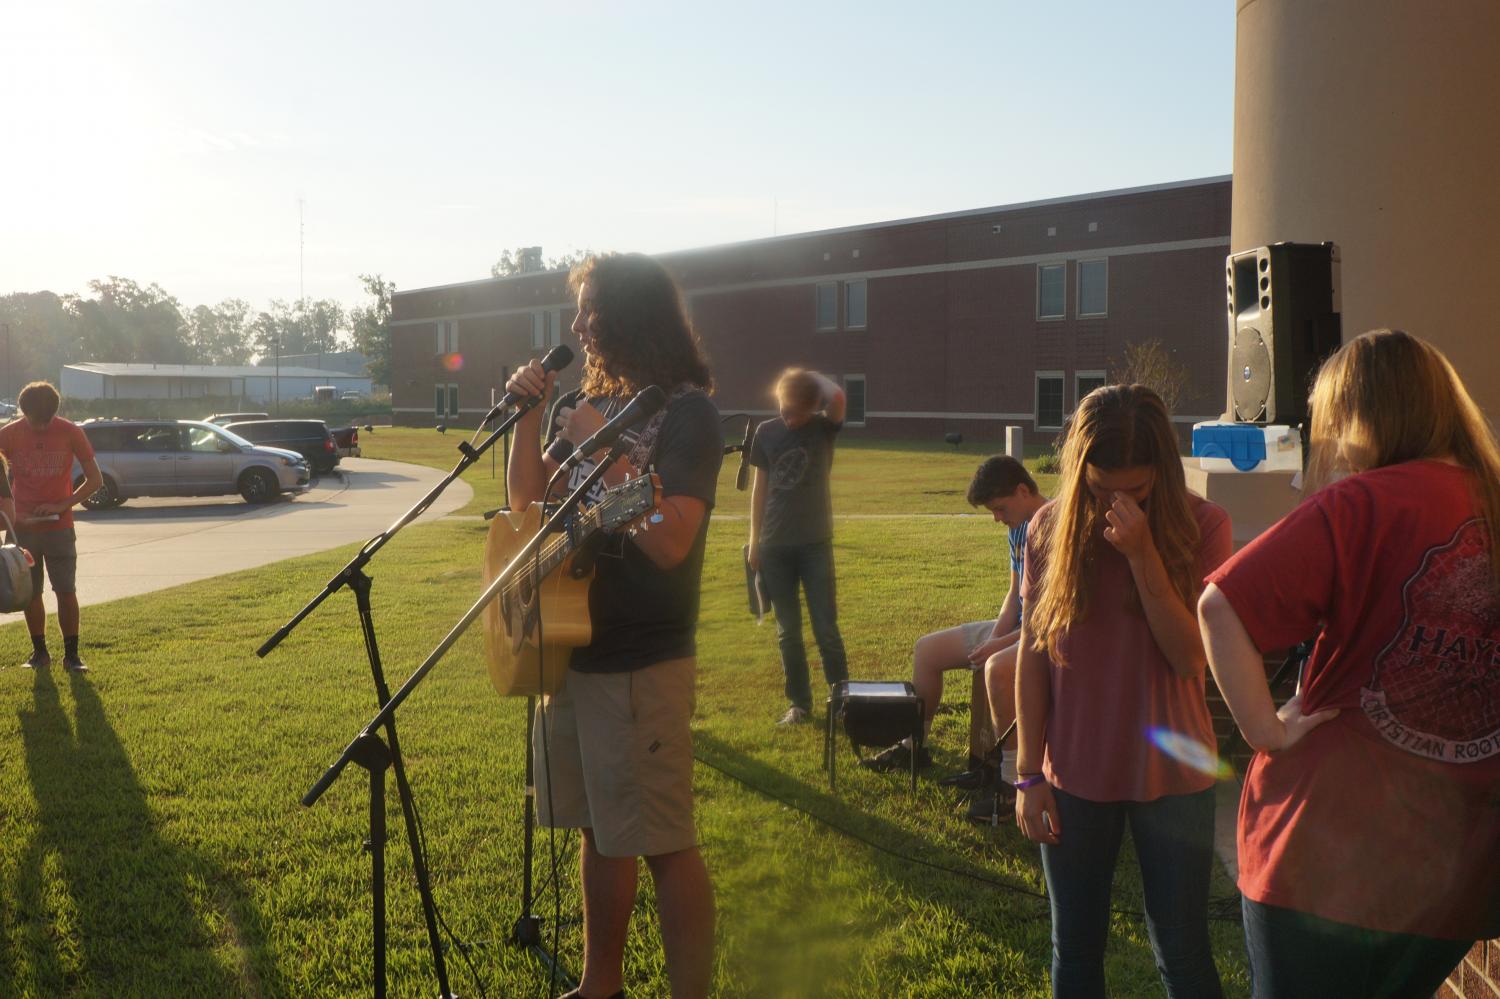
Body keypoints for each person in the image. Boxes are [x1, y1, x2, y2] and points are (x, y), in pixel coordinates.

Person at [1199, 329, 1500, 999]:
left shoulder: (1362, 502)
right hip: (1451, 871)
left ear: (1361, 414)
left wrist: (1265, 730)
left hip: (1320, 854)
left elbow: (1220, 605)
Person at [504, 252, 720, 999]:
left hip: (644, 659)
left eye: (591, 309)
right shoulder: (602, 405)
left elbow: (671, 539)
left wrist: (605, 446)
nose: (577, 326)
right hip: (577, 651)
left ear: (632, 313)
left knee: (664, 843)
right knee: (601, 829)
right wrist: (532, 416)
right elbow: (529, 501)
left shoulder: (686, 413)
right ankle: (602, 985)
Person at [1014, 384, 1229, 998]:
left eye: (1134, 491)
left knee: (1183, 949)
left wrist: (1143, 558)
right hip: (1075, 775)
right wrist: (1028, 775)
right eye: (1100, 487)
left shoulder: (1204, 525)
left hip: (1175, 774)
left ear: (1162, 472)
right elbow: (1034, 655)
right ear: (1079, 469)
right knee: (1075, 948)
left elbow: (1191, 658)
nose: (1116, 503)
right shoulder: (1048, 528)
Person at [862, 456, 1045, 817]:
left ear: (1023, 491)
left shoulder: (1052, 524)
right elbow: (1014, 596)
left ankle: (1009, 785)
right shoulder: (1017, 527)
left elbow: (1044, 617)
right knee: (927, 651)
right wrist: (993, 635)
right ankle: (914, 745)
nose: (997, 518)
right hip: (1015, 627)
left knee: (995, 666)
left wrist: (997, 646)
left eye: (999, 508)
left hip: (1044, 633)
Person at [746, 367, 849, 725]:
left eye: (795, 410)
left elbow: (836, 397)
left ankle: (841, 702)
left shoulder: (823, 429)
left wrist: (805, 380)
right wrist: (754, 540)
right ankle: (800, 705)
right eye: (782, 407)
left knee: (826, 628)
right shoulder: (766, 432)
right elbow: (761, 489)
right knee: (788, 632)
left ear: (809, 407)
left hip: (815, 543)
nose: (787, 417)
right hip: (775, 547)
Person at [0, 382, 101, 672]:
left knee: (65, 590)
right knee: (29, 592)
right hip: (22, 529)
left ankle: (72, 656)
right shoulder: (8, 435)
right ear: (23, 412)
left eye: (47, 421)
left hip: (59, 527)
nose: (41, 427)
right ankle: (39, 653)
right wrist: (12, 513)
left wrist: (62, 505)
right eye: (35, 421)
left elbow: (95, 480)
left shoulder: (71, 431)